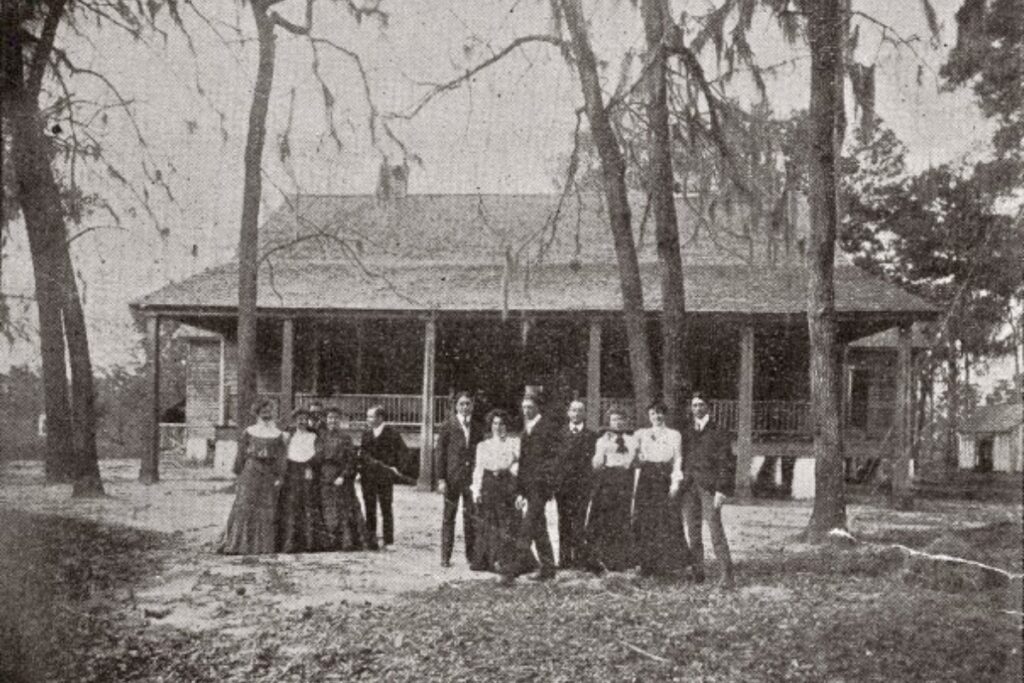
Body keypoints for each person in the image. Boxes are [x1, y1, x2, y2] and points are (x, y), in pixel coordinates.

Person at [677, 392, 737, 589]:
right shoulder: (686, 431)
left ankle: (726, 576)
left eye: (701, 405)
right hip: (689, 487)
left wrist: (721, 489)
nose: (697, 409)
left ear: (708, 407)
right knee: (693, 532)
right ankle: (698, 573)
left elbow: (726, 462)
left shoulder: (719, 431)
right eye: (694, 405)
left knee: (715, 531)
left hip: (710, 488)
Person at [501, 392, 561, 585]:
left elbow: (554, 460)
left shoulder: (548, 428)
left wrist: (545, 483)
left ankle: (512, 571)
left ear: (538, 407)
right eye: (524, 407)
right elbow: (524, 463)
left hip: (541, 487)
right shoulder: (526, 429)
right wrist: (520, 490)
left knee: (527, 526)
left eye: (530, 407)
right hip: (528, 486)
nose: (526, 411)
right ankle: (549, 568)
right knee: (538, 527)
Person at [470, 409, 537, 575]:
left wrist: (520, 491)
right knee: (490, 522)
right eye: (495, 423)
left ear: (507, 426)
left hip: (507, 485)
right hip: (489, 485)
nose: (498, 427)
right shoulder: (483, 445)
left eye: (501, 424)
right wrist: (476, 490)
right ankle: (491, 560)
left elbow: (520, 467)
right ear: (490, 425)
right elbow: (478, 469)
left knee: (509, 522)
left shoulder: (514, 443)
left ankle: (509, 561)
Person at [218, 399, 287, 555]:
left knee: (267, 509)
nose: (266, 413)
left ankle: (263, 546)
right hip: (250, 472)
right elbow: (241, 456)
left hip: (269, 473)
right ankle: (240, 544)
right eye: (263, 410)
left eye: (269, 410)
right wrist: (238, 476)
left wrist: (280, 476)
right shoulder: (249, 432)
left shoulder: (278, 435)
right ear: (257, 412)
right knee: (245, 506)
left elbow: (281, 458)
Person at [633, 400, 692, 577]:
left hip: (665, 476)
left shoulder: (674, 435)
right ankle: (645, 563)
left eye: (659, 413)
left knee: (668, 518)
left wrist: (675, 482)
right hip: (646, 477)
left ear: (664, 415)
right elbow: (635, 458)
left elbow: (678, 459)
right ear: (648, 416)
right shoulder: (641, 434)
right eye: (653, 413)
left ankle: (671, 564)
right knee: (645, 519)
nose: (656, 417)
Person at [582, 407, 638, 573]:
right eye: (614, 420)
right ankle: (598, 559)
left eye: (621, 419)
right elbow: (596, 465)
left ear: (626, 422)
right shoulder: (603, 440)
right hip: (607, 480)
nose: (618, 423)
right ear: (609, 422)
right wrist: (604, 447)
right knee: (603, 519)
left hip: (625, 480)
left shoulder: (632, 440)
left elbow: (634, 461)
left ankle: (619, 561)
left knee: (621, 519)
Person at [436, 391, 483, 568]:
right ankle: (445, 556)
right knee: (449, 517)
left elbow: (481, 453)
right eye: (462, 404)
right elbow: (440, 453)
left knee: (470, 518)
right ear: (456, 406)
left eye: (468, 404)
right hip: (452, 478)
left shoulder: (477, 427)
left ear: (472, 405)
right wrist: (441, 478)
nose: (465, 407)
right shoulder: (448, 425)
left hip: (470, 480)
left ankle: (471, 557)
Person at [318, 407, 369, 551]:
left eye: (335, 418)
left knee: (344, 509)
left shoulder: (345, 438)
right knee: (327, 508)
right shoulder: (321, 436)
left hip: (340, 477)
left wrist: (343, 476)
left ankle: (346, 541)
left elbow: (351, 460)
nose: (332, 421)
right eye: (329, 418)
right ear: (326, 420)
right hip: (324, 476)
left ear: (339, 420)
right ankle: (328, 542)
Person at [555, 399, 598, 569]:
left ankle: (579, 559)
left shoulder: (592, 436)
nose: (576, 414)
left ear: (585, 414)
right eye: (573, 410)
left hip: (582, 486)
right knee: (563, 522)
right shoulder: (559, 435)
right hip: (563, 487)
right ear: (568, 413)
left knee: (579, 522)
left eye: (580, 410)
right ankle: (564, 559)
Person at [277, 408, 325, 553]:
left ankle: (309, 542)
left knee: (308, 504)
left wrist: (310, 466)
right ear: (294, 420)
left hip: (307, 471)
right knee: (292, 505)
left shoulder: (313, 436)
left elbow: (319, 454)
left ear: (308, 420)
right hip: (291, 472)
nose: (302, 421)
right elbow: (283, 453)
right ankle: (290, 542)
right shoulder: (289, 435)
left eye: (305, 419)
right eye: (299, 419)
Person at [359, 405, 404, 549]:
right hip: (368, 477)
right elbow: (363, 453)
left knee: (386, 508)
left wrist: (395, 467)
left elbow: (402, 453)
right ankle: (371, 540)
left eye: (371, 417)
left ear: (380, 418)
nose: (368, 420)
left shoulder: (392, 433)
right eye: (367, 417)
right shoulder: (366, 433)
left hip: (384, 477)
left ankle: (388, 540)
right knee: (369, 507)